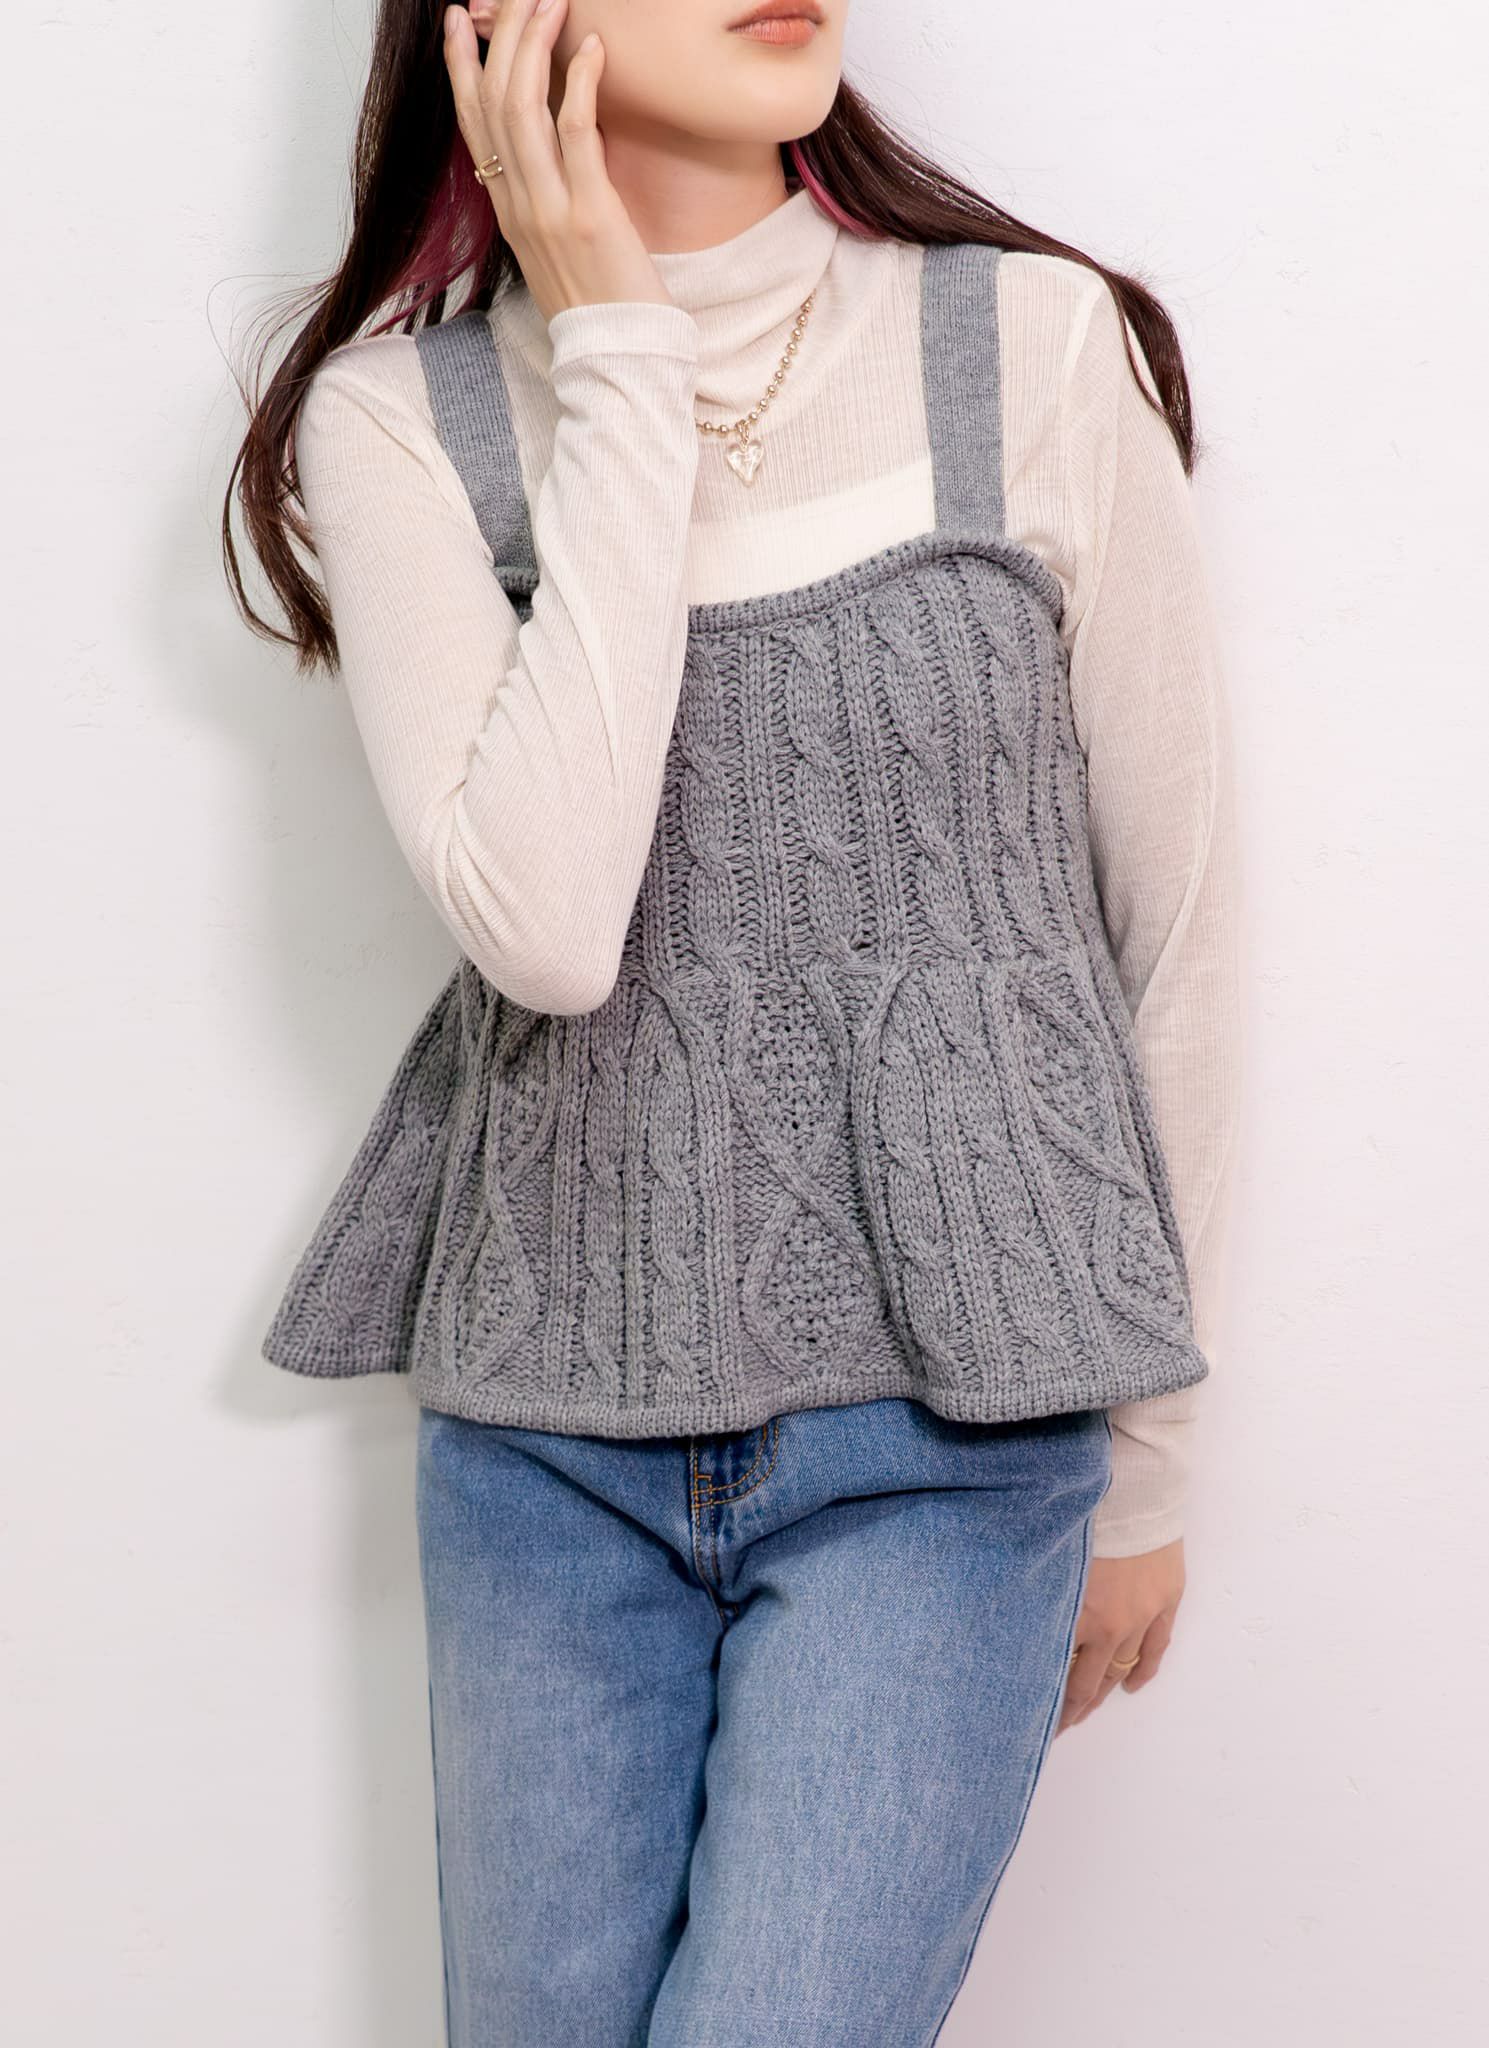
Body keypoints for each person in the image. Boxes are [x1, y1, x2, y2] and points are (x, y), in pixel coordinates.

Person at [226, 1, 1243, 2040]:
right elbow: (550, 931)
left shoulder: (1026, 347)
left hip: (952, 1447)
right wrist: (616, 349)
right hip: (545, 1450)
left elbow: (1180, 941)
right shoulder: (403, 421)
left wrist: (1146, 1465)